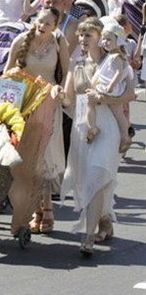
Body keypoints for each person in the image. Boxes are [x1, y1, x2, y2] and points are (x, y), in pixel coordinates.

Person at [54, 17, 135, 255]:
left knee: (97, 175)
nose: (83, 39)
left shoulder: (115, 61)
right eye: (80, 35)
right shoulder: (75, 63)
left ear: (101, 37)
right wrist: (59, 94)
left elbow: (130, 95)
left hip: (107, 123)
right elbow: (69, 99)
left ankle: (88, 237)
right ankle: (105, 219)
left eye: (88, 35)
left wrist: (103, 99)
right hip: (83, 124)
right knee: (87, 179)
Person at [3, 6, 69, 235]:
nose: (42, 27)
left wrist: (61, 91)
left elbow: (66, 74)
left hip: (49, 102)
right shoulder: (21, 39)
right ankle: (35, 210)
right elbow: (6, 72)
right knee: (29, 158)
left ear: (55, 27)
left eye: (48, 24)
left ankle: (47, 207)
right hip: (24, 104)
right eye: (40, 22)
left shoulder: (58, 43)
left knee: (46, 156)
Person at [86, 23, 132, 152]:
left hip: (108, 88)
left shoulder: (115, 57)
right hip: (110, 87)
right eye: (104, 39)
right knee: (118, 113)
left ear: (118, 41)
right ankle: (125, 135)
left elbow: (118, 73)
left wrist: (111, 86)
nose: (105, 42)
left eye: (109, 39)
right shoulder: (114, 56)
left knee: (91, 101)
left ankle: (93, 127)